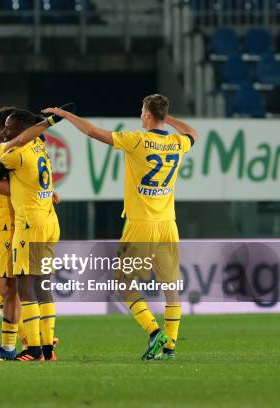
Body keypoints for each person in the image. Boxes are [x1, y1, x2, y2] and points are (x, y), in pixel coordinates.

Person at [43, 94, 198, 360]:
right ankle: (170, 346)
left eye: (142, 110)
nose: (140, 115)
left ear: (147, 114)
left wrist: (64, 115)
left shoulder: (137, 139)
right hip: (168, 224)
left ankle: (153, 332)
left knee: (123, 282)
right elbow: (193, 132)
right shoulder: (177, 142)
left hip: (141, 225)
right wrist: (166, 117)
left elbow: (93, 132)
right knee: (171, 287)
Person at [0, 108, 67, 361]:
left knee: (17, 286)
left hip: (25, 224)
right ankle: (35, 347)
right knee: (14, 286)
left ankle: (29, 348)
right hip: (32, 223)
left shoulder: (12, 152)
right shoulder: (39, 145)